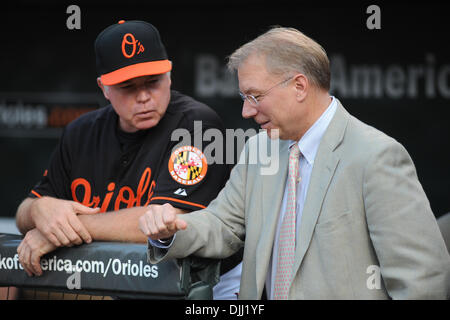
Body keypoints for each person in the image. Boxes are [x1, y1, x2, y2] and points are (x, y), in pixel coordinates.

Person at [139, 26, 450, 299]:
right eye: (244, 97)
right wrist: (170, 231)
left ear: (299, 86)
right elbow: (223, 224)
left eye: (255, 96)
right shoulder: (258, 149)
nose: (247, 111)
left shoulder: (376, 156)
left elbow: (421, 280)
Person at [15, 20, 242, 299]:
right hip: (117, 280)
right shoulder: (80, 131)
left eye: (152, 82)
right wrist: (40, 210)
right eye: (128, 87)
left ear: (169, 75)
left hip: (203, 283)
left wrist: (59, 231)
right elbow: (26, 211)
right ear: (104, 88)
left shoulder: (197, 124)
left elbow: (169, 223)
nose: (144, 97)